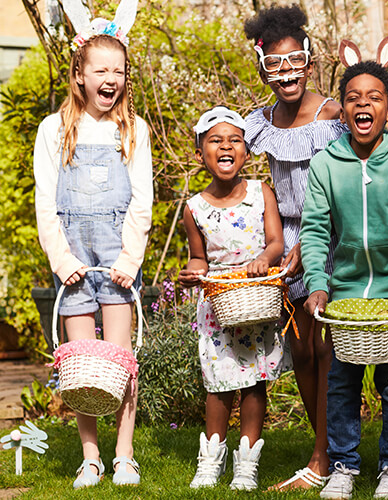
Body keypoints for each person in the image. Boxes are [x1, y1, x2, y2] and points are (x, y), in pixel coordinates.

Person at [301, 41, 388, 499]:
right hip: (346, 294)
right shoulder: (325, 165)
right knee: (340, 382)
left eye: (374, 96)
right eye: (354, 97)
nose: (364, 104)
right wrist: (318, 285)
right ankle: (343, 464)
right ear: (343, 110)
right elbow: (316, 230)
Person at [34, 0, 151, 488]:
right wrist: (61, 260)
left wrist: (128, 259)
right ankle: (91, 456)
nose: (111, 78)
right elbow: (45, 201)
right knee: (80, 362)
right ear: (79, 74)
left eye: (119, 70)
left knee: (121, 356)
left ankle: (124, 454)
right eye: (100, 69)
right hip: (72, 257)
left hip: (117, 256)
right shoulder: (54, 129)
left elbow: (142, 200)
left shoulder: (134, 129)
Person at [242, 7, 345, 490]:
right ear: (262, 68)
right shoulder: (260, 124)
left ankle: (324, 457)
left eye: (295, 62)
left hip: (331, 237)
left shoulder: (333, 114)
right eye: (275, 65)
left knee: (325, 349)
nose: (287, 74)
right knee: (301, 352)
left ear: (310, 62)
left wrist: (309, 244)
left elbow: (345, 183)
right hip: (286, 243)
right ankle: (323, 447)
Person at [178, 106, 288, 490]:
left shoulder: (261, 193)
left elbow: (276, 242)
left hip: (255, 298)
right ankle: (211, 460)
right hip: (218, 304)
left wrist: (263, 260)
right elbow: (198, 255)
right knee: (217, 382)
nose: (226, 146)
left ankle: (247, 463)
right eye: (215, 141)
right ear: (200, 154)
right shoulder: (194, 208)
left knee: (254, 380)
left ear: (245, 151)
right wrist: (194, 272)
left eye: (235, 140)